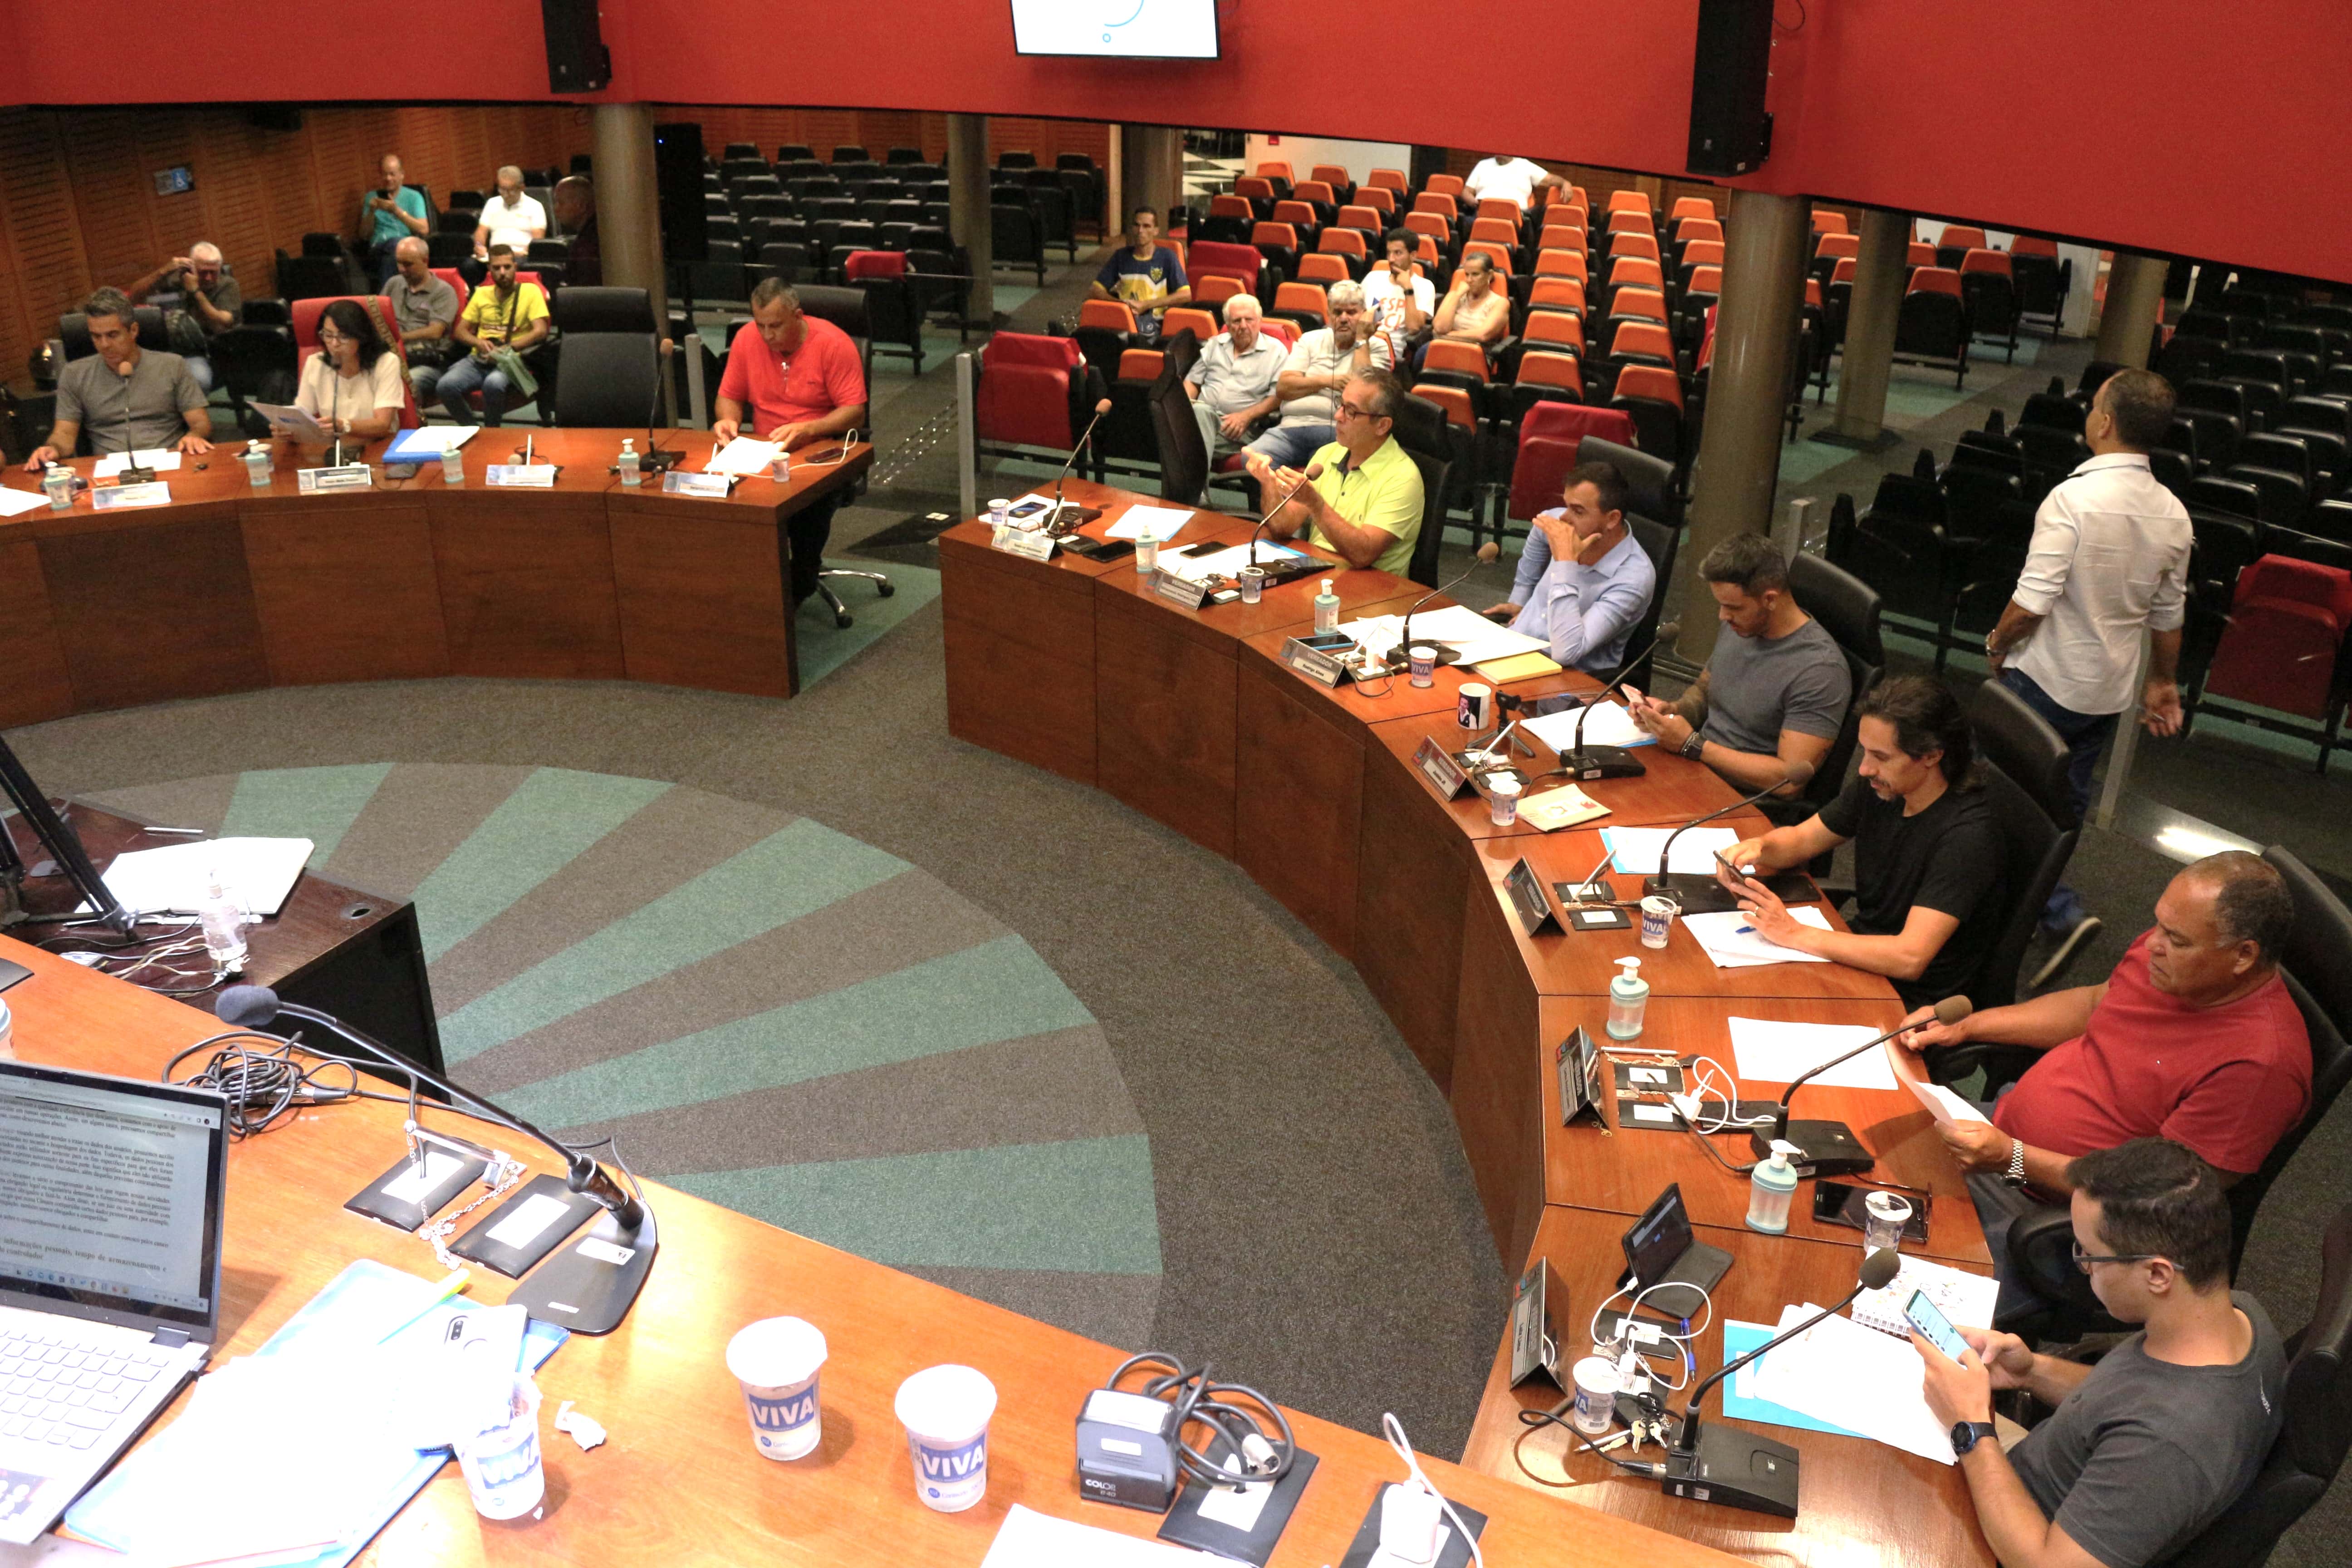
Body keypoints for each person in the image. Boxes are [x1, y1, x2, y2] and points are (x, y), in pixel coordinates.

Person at [1897, 852, 2310, 1312]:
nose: (2152, 944)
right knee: (1853, 1174)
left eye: (2176, 939)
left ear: (2244, 955)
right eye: (2159, 925)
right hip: (1997, 1142)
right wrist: (1969, 1025)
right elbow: (2096, 1005)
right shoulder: (2168, 962)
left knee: (1896, 1308)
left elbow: (2158, 1196)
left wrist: (2012, 1157)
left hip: (2062, 1225)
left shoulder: (2261, 1066)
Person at [1912, 1138, 2287, 1568]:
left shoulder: (2168, 1447)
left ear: (2158, 1274)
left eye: (2090, 1255)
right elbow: (2130, 1398)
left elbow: (2047, 1565)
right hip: (2019, 1472)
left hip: (2010, 1539)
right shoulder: (2236, 1317)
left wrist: (1971, 1428)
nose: (2084, 1267)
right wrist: (2030, 1371)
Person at [1985, 368, 2193, 987]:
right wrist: (2162, 683)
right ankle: (2039, 908)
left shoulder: (2072, 499)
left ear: (2104, 422)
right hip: (2106, 692)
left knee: (1994, 796)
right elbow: (2169, 616)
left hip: (2043, 681)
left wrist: (1997, 643)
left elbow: (2031, 604)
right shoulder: (2174, 514)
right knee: (2063, 805)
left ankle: (2047, 912)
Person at [1717, 677, 2007, 1009]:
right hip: (1859, 956)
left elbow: (1910, 958)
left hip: (1908, 1001)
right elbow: (1802, 840)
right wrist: (1759, 848)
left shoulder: (1968, 838)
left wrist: (1794, 933)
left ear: (1931, 756)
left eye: (1881, 756)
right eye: (1864, 751)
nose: (1866, 768)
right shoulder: (1885, 786)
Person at [1626, 533, 1852, 799]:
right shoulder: (1743, 625)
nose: (1723, 616)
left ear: (1770, 599)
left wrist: (1691, 744)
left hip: (1740, 799)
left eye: (1733, 607)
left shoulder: (1820, 671)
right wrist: (1672, 712)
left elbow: (1787, 782)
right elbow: (1705, 691)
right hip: (1695, 768)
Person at [713, 278, 869, 608]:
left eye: (776, 326)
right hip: (762, 450)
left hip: (819, 453)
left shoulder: (833, 344)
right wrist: (728, 420)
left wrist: (809, 428)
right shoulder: (746, 340)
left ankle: (797, 586)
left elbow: (855, 413)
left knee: (803, 510)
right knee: (722, 499)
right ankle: (748, 586)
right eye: (761, 326)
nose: (767, 335)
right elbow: (729, 397)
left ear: (798, 317)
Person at [1245, 367, 1421, 575]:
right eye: (1340, 404)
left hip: (1369, 586)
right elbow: (1283, 527)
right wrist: (1268, 483)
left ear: (1382, 425)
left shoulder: (1403, 478)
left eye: (1351, 411)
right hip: (1317, 572)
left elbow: (1363, 555)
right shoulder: (1328, 454)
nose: (1338, 416)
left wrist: (1315, 504)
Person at [1488, 462, 1655, 675]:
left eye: (1578, 511)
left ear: (1612, 519)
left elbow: (1566, 653)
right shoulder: (1568, 524)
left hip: (1565, 677)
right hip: (1513, 647)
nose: (1564, 518)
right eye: (1566, 505)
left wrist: (1566, 563)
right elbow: (1542, 526)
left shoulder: (1634, 579)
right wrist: (1520, 598)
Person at [21, 287, 211, 469]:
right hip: (110, 471)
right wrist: (52, 448)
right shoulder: (74, 374)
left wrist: (194, 436)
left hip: (168, 461)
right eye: (96, 337)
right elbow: (64, 434)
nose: (104, 345)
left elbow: (201, 424)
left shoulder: (172, 365)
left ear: (133, 331)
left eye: (112, 335)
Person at [1248, 278, 1392, 470]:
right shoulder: (1309, 340)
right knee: (1253, 460)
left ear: (1365, 315)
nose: (1343, 318)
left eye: (1351, 312)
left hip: (1338, 432)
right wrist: (1326, 382)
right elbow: (1284, 388)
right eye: (1337, 312)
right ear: (1329, 315)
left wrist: (1361, 339)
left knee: (1320, 473)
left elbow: (1365, 394)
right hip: (1291, 428)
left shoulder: (1377, 347)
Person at [438, 245, 549, 427]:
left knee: (493, 384)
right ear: (489, 269)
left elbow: (541, 331)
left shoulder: (530, 291)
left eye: (507, 267)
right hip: (480, 358)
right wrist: (479, 343)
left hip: (511, 359)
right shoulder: (482, 294)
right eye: (497, 268)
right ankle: (473, 429)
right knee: (445, 386)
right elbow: (460, 332)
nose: (503, 273)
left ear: (515, 267)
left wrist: (509, 348)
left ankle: (492, 431)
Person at [1181, 294, 1284, 480]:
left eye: (1249, 320)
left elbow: (1277, 397)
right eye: (1237, 321)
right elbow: (1192, 382)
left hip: (1238, 429)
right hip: (1200, 418)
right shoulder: (1215, 344)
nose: (1243, 326)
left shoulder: (1276, 351)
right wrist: (1185, 408)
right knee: (1197, 415)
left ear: (1260, 321)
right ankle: (1197, 490)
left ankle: (1192, 490)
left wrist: (1246, 416)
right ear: (1228, 325)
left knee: (1182, 441)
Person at [124, 242, 240, 391]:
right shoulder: (174, 281)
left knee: (199, 381)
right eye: (203, 272)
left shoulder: (227, 285)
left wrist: (195, 291)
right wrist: (163, 271)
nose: (209, 278)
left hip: (199, 350)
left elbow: (224, 321)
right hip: (163, 348)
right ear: (192, 268)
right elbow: (133, 298)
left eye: (214, 272)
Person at [293, 299, 406, 441]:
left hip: (379, 445)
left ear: (361, 337)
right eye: (328, 336)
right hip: (335, 447)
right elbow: (302, 416)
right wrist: (289, 429)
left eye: (344, 337)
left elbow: (383, 424)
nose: (335, 344)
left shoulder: (386, 362)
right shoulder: (315, 363)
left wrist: (345, 426)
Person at [1089, 206, 1189, 343]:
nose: (1141, 231)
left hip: (1155, 325)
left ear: (1156, 231)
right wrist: (1122, 305)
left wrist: (1146, 305)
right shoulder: (1121, 256)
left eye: (1147, 226)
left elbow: (1186, 295)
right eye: (1137, 225)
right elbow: (1095, 290)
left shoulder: (1167, 257)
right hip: (1125, 323)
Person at [385, 237, 460, 405]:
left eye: (408, 264)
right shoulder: (394, 284)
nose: (402, 269)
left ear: (425, 261)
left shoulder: (443, 291)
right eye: (399, 263)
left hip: (428, 362)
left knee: (408, 382)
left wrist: (398, 337)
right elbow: (378, 316)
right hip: (393, 356)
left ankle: (414, 420)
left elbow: (435, 332)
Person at [1361, 230, 1432, 363]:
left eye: (1398, 253)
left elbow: (1413, 328)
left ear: (1413, 255)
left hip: (1388, 349)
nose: (1391, 259)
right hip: (1362, 341)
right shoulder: (1373, 278)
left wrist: (1408, 289)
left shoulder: (1424, 286)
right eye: (1389, 253)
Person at [359, 154, 430, 288]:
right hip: (378, 249)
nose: (388, 179)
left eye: (392, 174)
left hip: (403, 249)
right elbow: (364, 235)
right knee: (394, 249)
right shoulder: (371, 197)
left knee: (391, 256)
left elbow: (424, 229)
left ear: (402, 175)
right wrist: (371, 212)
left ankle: (386, 296)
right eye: (385, 174)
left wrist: (397, 211)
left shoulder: (414, 197)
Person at [1424, 252, 1508, 364]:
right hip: (1444, 350)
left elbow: (1483, 335)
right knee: (1425, 353)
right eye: (1467, 275)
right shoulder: (1454, 296)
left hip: (1475, 356)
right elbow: (1440, 328)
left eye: (1475, 274)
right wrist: (1457, 296)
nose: (1469, 280)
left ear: (1490, 275)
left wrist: (1446, 337)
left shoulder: (1500, 303)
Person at [468, 167, 547, 284]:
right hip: (493, 256)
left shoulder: (535, 206)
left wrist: (517, 253)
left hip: (520, 257)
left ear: (522, 188)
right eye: (502, 189)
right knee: (469, 266)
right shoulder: (492, 203)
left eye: (510, 190)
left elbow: (537, 241)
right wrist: (479, 246)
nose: (505, 195)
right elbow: (481, 231)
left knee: (512, 266)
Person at [1461, 155, 1565, 212]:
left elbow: (1551, 179)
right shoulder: (1483, 165)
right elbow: (1467, 191)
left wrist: (1565, 183)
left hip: (1516, 216)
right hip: (1483, 212)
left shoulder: (1525, 165)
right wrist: (1472, 201)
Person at [551, 175, 600, 286]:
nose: (556, 209)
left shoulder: (589, 245)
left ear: (581, 206)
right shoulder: (587, 236)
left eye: (560, 203)